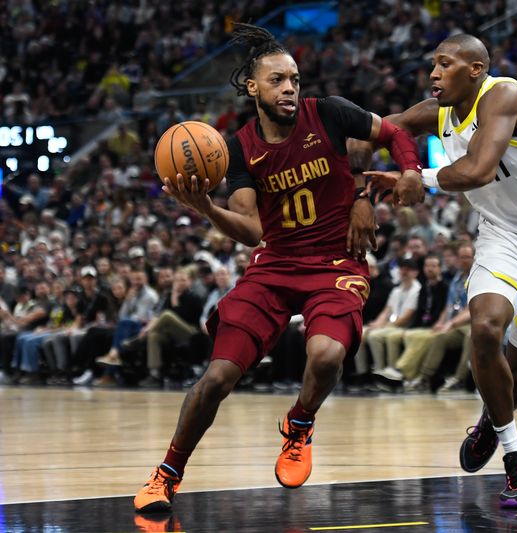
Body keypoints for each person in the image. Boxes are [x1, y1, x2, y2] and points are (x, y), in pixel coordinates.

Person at [134, 23, 423, 513]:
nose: (289, 88)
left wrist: (410, 170)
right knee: (218, 378)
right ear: (252, 88)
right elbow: (250, 230)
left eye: (293, 79)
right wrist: (205, 206)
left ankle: (301, 422)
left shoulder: (328, 112)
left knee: (328, 355)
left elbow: (392, 132)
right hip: (274, 265)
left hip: (336, 263)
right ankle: (167, 472)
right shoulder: (239, 147)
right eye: (277, 81)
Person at [363, 34, 517, 507]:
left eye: (445, 64)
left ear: (476, 70)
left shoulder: (504, 95)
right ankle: (515, 458)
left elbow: (480, 169)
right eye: (433, 64)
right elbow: (385, 129)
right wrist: (341, 168)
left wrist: (415, 177)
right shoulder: (436, 110)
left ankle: (491, 420)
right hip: (501, 236)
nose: (434, 73)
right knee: (484, 329)